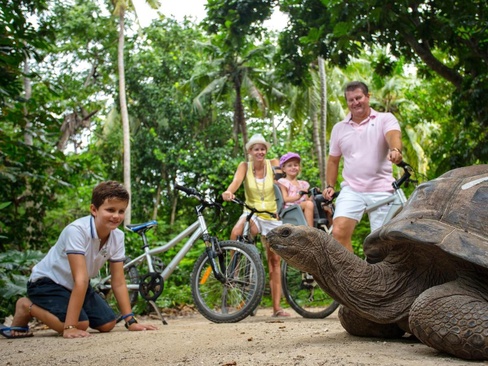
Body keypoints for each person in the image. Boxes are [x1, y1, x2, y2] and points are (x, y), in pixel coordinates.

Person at [0, 181, 158, 339]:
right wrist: (70, 327)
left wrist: (131, 321)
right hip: (47, 283)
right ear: (94, 210)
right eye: (110, 210)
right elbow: (81, 279)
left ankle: (69, 318)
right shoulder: (77, 230)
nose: (116, 216)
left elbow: (118, 282)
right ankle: (25, 306)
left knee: (108, 323)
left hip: (75, 286)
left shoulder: (118, 236)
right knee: (79, 324)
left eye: (121, 211)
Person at [323, 81, 403, 253]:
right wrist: (330, 185)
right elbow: (333, 161)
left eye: (358, 97)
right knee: (338, 231)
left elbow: (393, 135)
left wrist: (395, 150)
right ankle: (354, 277)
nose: (355, 102)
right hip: (352, 189)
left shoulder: (384, 119)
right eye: (350, 100)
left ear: (368, 97)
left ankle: (379, 277)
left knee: (381, 244)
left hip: (382, 190)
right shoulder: (339, 128)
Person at [222, 134, 290, 317]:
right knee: (236, 232)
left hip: (271, 215)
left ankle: (277, 308)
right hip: (251, 213)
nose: (260, 152)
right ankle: (234, 274)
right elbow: (236, 182)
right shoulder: (244, 166)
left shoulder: (273, 163)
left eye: (262, 148)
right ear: (250, 151)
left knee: (274, 260)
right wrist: (229, 191)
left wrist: (290, 189)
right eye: (256, 149)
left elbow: (283, 180)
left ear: (266, 150)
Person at [277, 152, 314, 227]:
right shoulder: (284, 182)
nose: (293, 167)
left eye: (295, 165)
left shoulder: (303, 184)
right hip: (290, 209)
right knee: (309, 204)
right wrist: (298, 196)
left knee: (324, 206)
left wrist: (313, 195)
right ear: (283, 168)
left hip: (301, 206)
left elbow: (307, 200)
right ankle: (311, 230)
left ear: (299, 167)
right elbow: (285, 199)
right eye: (289, 165)